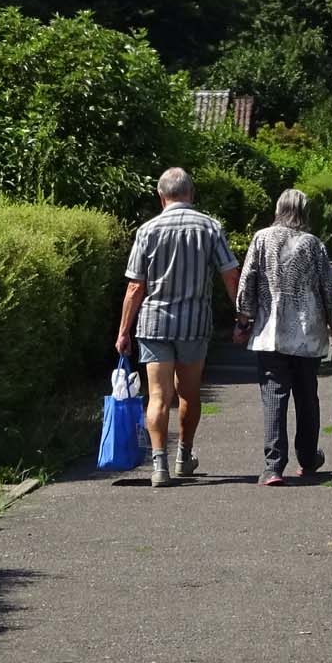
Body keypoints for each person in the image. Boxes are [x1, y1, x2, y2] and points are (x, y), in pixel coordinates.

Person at [116, 166, 241, 488]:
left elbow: (135, 287)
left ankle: (159, 466)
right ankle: (184, 457)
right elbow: (230, 274)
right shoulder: (210, 227)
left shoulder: (147, 230)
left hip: (154, 323)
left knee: (157, 396)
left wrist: (123, 331)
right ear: (191, 193)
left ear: (161, 197)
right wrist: (242, 315)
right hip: (194, 325)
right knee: (188, 393)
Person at [232, 188, 332, 486]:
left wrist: (243, 322)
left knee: (274, 397)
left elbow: (248, 282)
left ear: (279, 209)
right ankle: (308, 459)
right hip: (307, 333)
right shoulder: (314, 245)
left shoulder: (261, 238)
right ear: (305, 213)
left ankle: (273, 467)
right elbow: (328, 290)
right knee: (307, 397)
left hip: (270, 332)